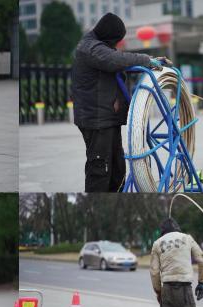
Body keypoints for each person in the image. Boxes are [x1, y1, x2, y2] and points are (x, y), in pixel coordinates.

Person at [71, 12, 171, 192]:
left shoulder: (96, 45)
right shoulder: (90, 48)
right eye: (116, 40)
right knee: (101, 168)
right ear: (110, 37)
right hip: (97, 121)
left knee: (117, 167)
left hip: (106, 118)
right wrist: (148, 60)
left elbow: (118, 60)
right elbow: (116, 59)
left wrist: (151, 62)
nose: (116, 45)